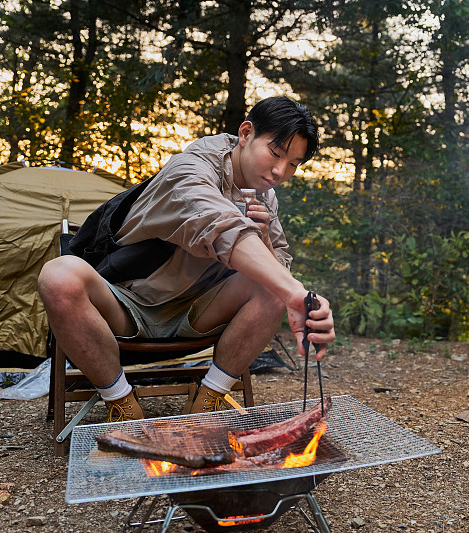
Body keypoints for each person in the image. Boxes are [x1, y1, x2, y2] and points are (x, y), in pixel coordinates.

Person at [38, 96, 336, 421]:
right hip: (126, 305)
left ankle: (207, 400)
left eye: (293, 164)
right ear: (246, 133)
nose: (280, 171)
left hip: (197, 312)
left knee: (273, 285)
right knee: (58, 276)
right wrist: (294, 292)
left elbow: (280, 269)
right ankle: (122, 403)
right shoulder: (189, 170)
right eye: (276, 153)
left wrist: (266, 243)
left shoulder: (264, 196)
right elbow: (217, 224)